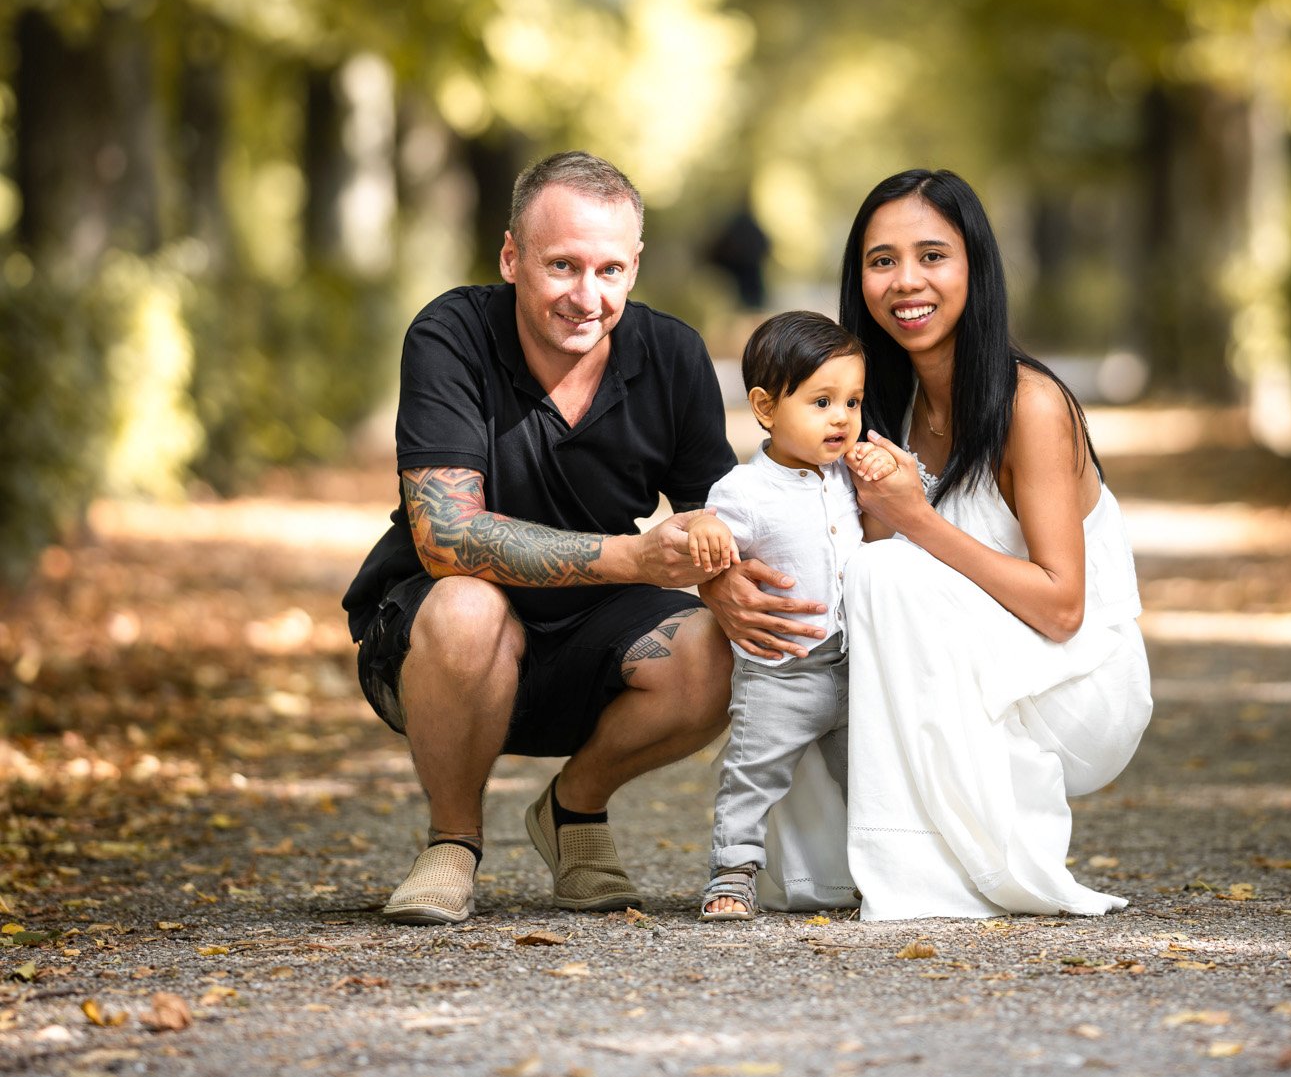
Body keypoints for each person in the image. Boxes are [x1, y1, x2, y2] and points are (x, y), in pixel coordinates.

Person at [341, 151, 830, 925]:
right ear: (511, 257)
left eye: (609, 270)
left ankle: (574, 809)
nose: (586, 295)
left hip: (593, 631)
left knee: (720, 648)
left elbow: (721, 512)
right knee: (468, 605)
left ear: (635, 266)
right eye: (562, 266)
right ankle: (452, 842)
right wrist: (638, 555)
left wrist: (724, 577)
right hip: (434, 634)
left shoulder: (671, 353)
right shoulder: (451, 334)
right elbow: (446, 538)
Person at [761, 167, 1152, 920]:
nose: (907, 281)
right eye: (882, 261)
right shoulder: (879, 406)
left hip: (1080, 686)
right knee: (808, 609)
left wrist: (917, 518)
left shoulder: (1030, 405)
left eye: (932, 256)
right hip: (983, 661)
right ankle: (827, 868)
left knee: (888, 577)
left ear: (975, 264)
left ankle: (933, 875)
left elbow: (1063, 608)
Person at [685, 313, 896, 920]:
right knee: (755, 772)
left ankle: (884, 872)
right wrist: (703, 525)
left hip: (854, 668)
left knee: (871, 777)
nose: (843, 417)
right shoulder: (745, 490)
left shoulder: (848, 476)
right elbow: (715, 534)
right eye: (822, 401)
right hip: (781, 673)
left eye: (853, 401)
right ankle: (732, 871)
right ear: (766, 407)